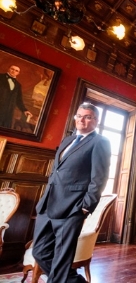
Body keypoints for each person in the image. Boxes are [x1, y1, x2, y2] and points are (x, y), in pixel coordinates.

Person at [32, 103, 111, 283]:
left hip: (72, 207)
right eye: (79, 115)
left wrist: (85, 207)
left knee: (61, 260)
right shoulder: (68, 140)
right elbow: (56, 171)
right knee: (39, 251)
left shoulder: (100, 142)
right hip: (47, 205)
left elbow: (99, 177)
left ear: (96, 121)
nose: (82, 120)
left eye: (88, 116)